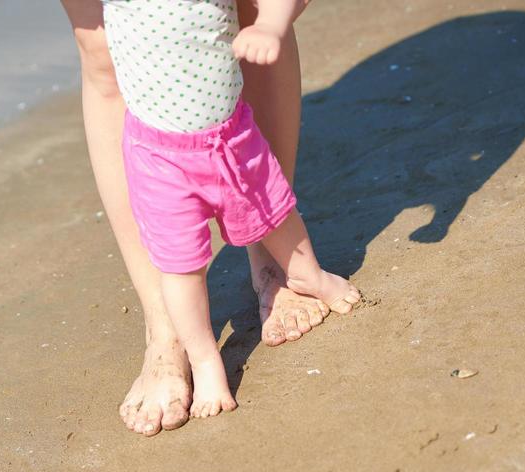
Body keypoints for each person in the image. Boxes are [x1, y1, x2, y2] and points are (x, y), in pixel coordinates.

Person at [61, 0, 359, 435]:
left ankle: (289, 271)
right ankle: (175, 336)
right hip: (157, 159)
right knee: (100, 44)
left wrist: (274, 23)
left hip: (233, 132)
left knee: (251, 11)